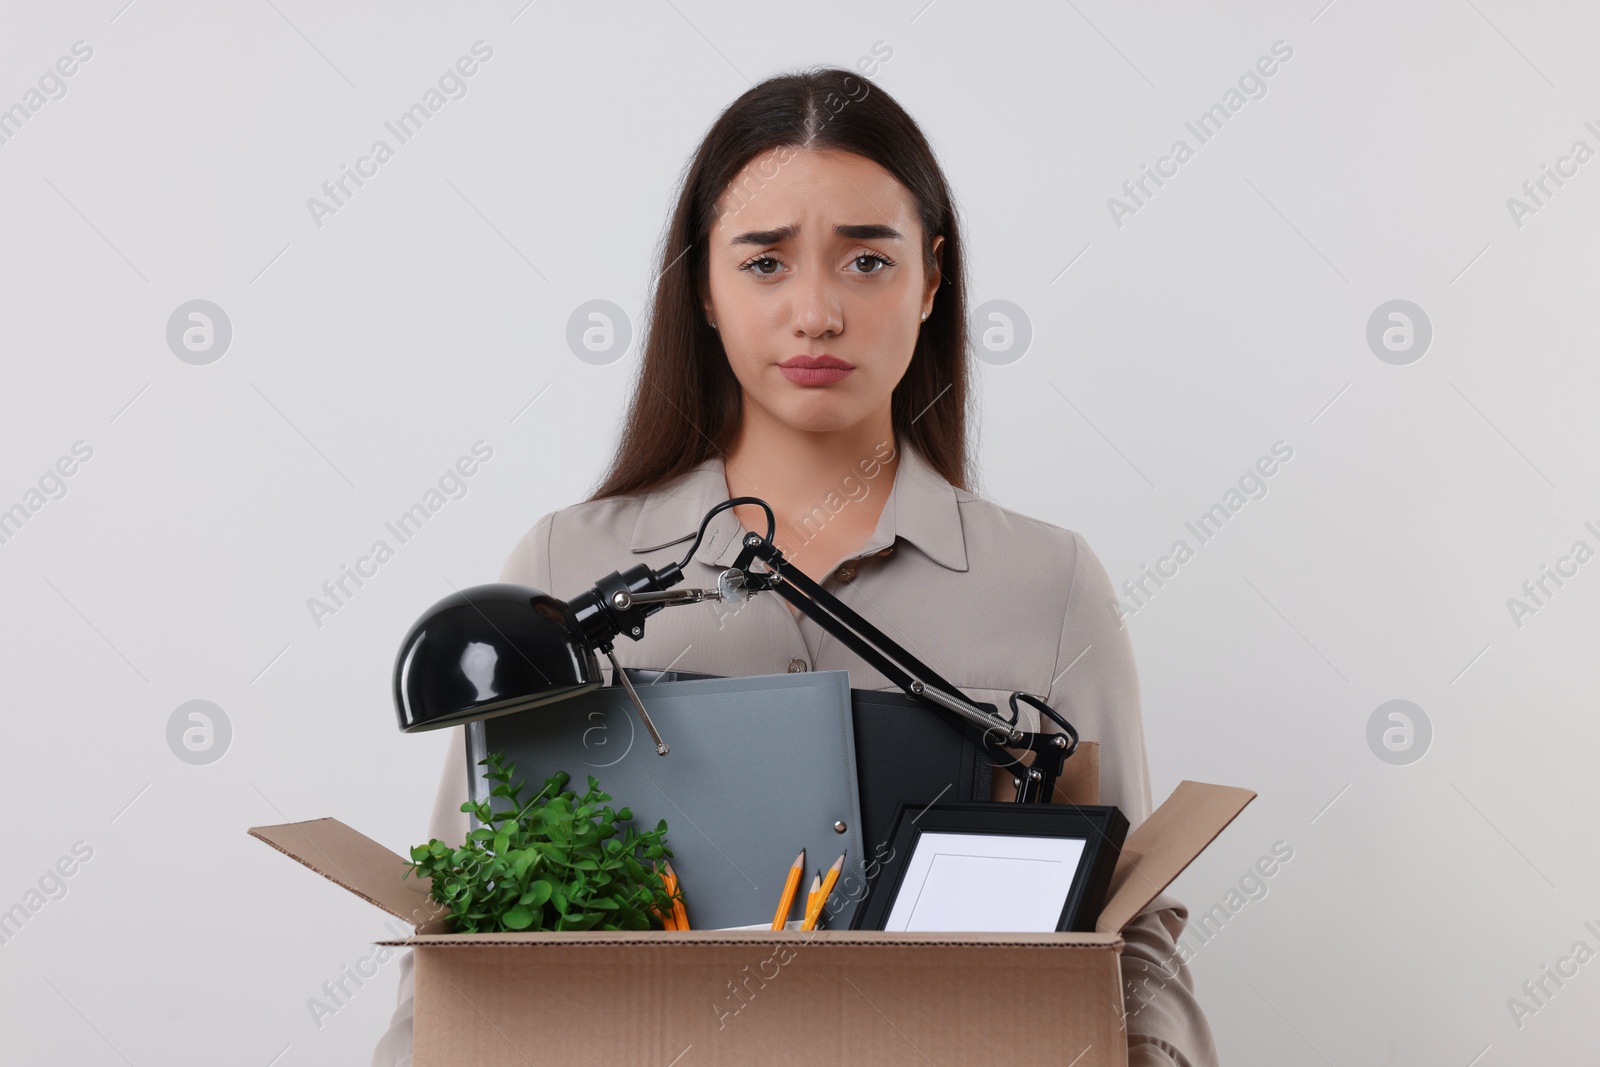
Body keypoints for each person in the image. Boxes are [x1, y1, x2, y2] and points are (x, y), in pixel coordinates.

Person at [373, 67, 1219, 1067]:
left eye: (866, 260)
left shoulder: (1050, 581)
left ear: (931, 277)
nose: (816, 312)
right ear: (703, 285)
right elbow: (458, 932)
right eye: (765, 263)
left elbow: (1131, 933)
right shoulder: (568, 566)